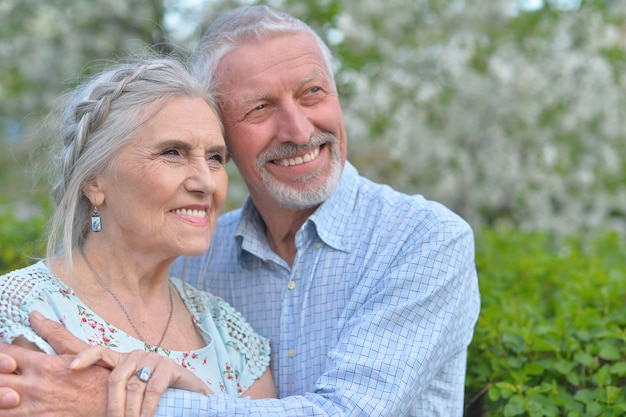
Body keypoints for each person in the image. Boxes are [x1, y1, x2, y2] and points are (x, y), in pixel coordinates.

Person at [0, 5, 480, 417]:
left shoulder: (425, 239)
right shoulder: (188, 258)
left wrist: (112, 401)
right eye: (261, 107)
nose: (297, 129)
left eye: (313, 92)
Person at [0, 57, 276, 416]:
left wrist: (191, 398)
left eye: (215, 157)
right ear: (94, 181)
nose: (206, 182)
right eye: (172, 153)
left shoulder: (231, 338)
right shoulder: (21, 311)